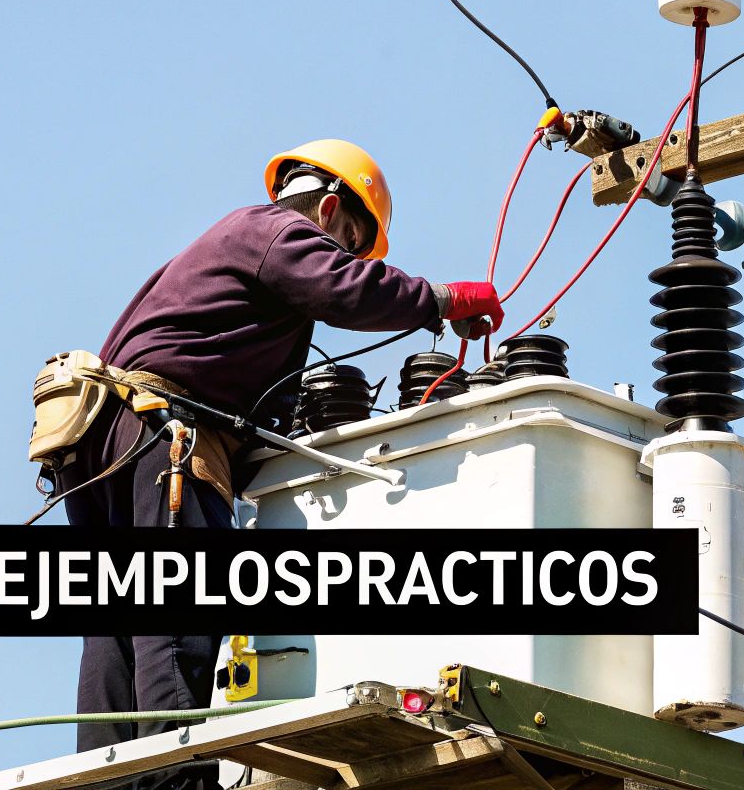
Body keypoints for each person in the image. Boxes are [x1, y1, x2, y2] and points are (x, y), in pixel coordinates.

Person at [51, 138, 502, 758]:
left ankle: (107, 773)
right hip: (163, 435)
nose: (343, 252)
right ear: (329, 207)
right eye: (348, 238)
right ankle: (171, 773)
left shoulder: (234, 244)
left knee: (117, 623)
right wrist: (442, 300)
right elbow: (347, 289)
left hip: (103, 444)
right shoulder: (274, 231)